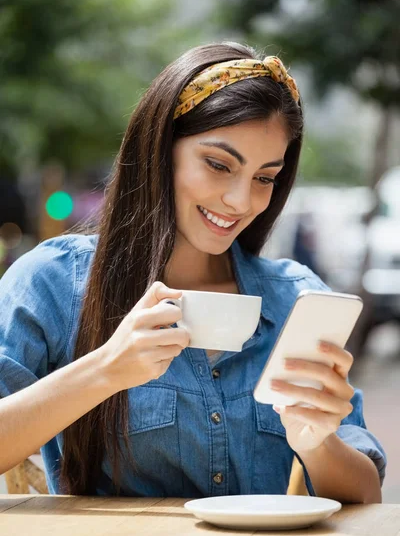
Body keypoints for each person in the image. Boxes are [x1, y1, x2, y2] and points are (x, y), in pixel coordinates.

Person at [0, 42, 386, 501]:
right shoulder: (55, 281)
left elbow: (367, 496)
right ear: (159, 150)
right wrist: (106, 370)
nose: (241, 201)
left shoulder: (295, 299)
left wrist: (316, 443)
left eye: (265, 177)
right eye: (219, 165)